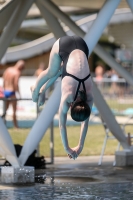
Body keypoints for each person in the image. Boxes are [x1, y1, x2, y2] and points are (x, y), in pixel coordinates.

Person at [31, 36, 93, 160]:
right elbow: (62, 125)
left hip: (82, 44)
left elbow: (85, 124)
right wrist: (68, 149)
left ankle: (43, 90)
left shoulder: (89, 97)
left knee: (59, 71)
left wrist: (80, 146)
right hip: (62, 45)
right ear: (70, 106)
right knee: (51, 72)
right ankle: (36, 88)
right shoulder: (68, 96)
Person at [3, 60, 25, 128]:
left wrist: (4, 90)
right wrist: (19, 94)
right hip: (12, 92)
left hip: (5, 91)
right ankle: (16, 126)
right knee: (14, 111)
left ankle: (2, 124)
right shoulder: (17, 72)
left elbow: (4, 81)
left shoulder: (8, 69)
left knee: (5, 110)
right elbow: (16, 84)